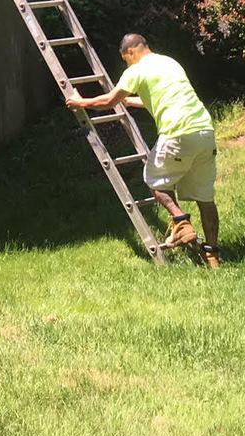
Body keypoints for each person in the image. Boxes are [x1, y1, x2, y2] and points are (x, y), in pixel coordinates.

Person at [65, 33, 220, 268]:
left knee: (154, 180)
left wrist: (80, 102)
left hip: (178, 133)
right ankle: (212, 255)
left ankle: (181, 221)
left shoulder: (135, 71)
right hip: (205, 133)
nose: (126, 63)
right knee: (205, 198)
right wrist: (128, 101)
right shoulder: (169, 62)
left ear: (130, 52)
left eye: (125, 59)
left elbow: (107, 102)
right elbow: (161, 98)